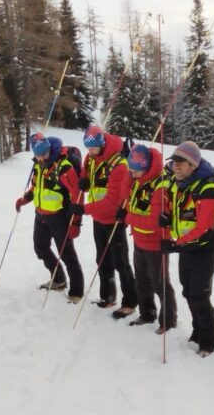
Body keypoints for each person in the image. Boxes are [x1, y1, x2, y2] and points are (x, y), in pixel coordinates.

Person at [159, 141, 214, 357]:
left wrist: (176, 244)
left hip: (204, 248)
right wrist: (166, 216)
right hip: (186, 246)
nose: (176, 166)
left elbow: (204, 227)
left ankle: (209, 338)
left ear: (193, 164)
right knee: (188, 290)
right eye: (174, 162)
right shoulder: (178, 184)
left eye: (182, 162)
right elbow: (176, 208)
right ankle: (197, 329)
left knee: (199, 294)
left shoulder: (208, 188)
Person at [69, 125, 138, 319]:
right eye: (87, 149)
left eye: (93, 149)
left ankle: (130, 301)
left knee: (120, 261)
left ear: (102, 144)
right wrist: (84, 180)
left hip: (114, 218)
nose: (89, 153)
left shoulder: (119, 165)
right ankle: (107, 296)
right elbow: (86, 171)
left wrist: (84, 209)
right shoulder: (91, 158)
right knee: (102, 258)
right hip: (98, 218)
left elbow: (112, 201)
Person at [15, 133, 84, 303]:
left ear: (49, 149)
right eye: (37, 155)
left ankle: (77, 291)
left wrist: (75, 222)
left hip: (60, 217)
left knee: (67, 255)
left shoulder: (64, 167)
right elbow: (36, 187)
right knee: (40, 248)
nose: (41, 158)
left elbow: (77, 194)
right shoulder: (39, 166)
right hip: (41, 216)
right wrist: (24, 199)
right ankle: (59, 279)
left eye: (44, 154)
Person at [116, 144, 177, 334]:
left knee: (160, 283)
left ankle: (169, 320)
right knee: (141, 281)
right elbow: (124, 194)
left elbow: (153, 221)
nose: (133, 174)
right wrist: (130, 173)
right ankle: (147, 313)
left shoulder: (160, 185)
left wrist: (126, 217)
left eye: (136, 170)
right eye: (131, 170)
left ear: (147, 166)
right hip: (139, 240)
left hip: (156, 242)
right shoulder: (138, 181)